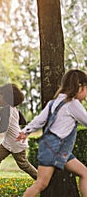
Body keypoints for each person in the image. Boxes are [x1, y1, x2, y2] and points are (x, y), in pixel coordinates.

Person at [16, 69, 87, 197]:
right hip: (56, 149)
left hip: (57, 150)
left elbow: (40, 120)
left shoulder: (53, 103)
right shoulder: (73, 103)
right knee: (41, 184)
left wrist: (25, 131)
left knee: (84, 173)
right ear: (79, 86)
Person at [0, 83, 37, 188]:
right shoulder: (14, 109)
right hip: (9, 141)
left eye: (0, 96)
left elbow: (3, 128)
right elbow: (23, 121)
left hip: (16, 142)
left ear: (7, 98)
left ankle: (41, 179)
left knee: (23, 165)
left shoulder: (5, 109)